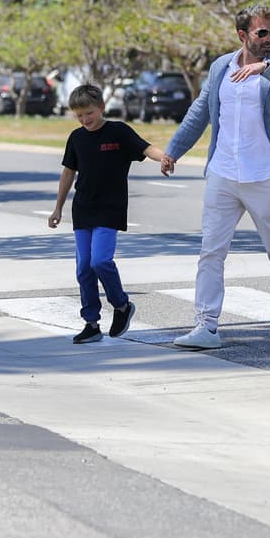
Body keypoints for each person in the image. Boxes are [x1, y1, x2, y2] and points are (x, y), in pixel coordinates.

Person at [163, 4, 270, 350]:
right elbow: (200, 111)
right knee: (211, 251)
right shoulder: (221, 67)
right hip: (223, 172)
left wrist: (268, 69)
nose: (269, 39)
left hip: (265, 174)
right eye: (262, 33)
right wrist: (174, 150)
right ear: (243, 35)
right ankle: (206, 325)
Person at [49, 84, 175, 344]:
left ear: (102, 108)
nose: (85, 120)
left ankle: (121, 305)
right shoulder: (76, 137)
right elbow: (68, 173)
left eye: (89, 113)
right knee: (84, 268)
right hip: (83, 208)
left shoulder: (118, 132)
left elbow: (145, 148)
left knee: (100, 262)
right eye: (79, 115)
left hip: (110, 207)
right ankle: (92, 323)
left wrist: (164, 157)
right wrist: (58, 207)